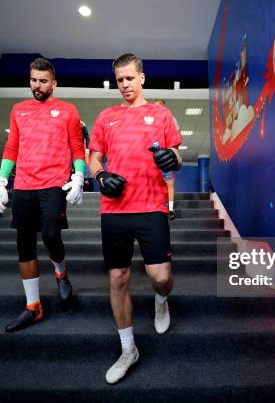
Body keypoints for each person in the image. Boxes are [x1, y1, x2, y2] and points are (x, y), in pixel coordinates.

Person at [89, 53, 182, 384]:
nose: (125, 85)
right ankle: (128, 349)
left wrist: (171, 158)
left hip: (152, 206)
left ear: (142, 77)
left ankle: (161, 300)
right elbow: (94, 158)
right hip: (114, 209)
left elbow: (177, 157)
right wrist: (99, 177)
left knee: (160, 276)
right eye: (119, 80)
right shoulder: (106, 117)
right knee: (118, 278)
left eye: (130, 78)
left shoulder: (161, 114)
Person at [0, 58, 86, 332]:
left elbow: (76, 147)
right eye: (33, 80)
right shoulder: (18, 110)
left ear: (53, 83)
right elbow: (11, 148)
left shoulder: (68, 110)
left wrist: (79, 176)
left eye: (43, 81)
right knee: (24, 243)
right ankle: (33, 307)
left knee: (50, 235)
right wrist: (1, 180)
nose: (37, 85)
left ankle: (61, 272)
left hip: (53, 184)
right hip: (23, 184)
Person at [153, 99, 179, 220]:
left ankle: (170, 209)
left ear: (165, 107)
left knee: (170, 184)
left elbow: (177, 140)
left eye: (159, 107)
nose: (156, 109)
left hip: (166, 158)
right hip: (152, 158)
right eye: (155, 107)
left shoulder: (171, 119)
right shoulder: (149, 119)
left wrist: (173, 156)